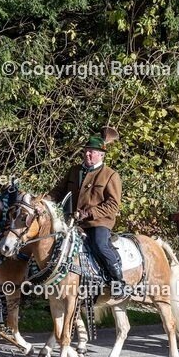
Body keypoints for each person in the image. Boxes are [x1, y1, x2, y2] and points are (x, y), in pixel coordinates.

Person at [49, 126, 126, 294]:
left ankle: (117, 280)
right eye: (85, 151)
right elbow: (58, 192)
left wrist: (90, 212)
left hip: (98, 222)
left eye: (92, 152)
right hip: (72, 221)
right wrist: (43, 201)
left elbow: (113, 205)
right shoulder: (74, 170)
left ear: (101, 154)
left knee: (99, 245)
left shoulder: (110, 175)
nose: (87, 155)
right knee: (54, 244)